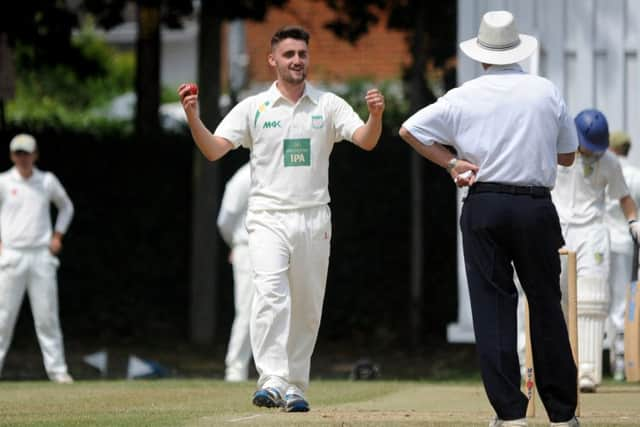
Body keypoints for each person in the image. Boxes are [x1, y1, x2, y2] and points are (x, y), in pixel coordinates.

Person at [178, 26, 384, 412]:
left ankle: (296, 386)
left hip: (313, 219)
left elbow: (367, 140)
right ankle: (271, 378)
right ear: (273, 60)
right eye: (289, 54)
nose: (297, 61)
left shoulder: (328, 105)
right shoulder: (253, 108)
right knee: (270, 296)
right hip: (267, 218)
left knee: (306, 306)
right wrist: (193, 116)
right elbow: (213, 150)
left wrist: (375, 115)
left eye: (302, 54)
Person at [400, 10, 580, 427]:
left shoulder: (464, 95)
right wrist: (530, 151)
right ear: (518, 50)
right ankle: (562, 415)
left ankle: (510, 413)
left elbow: (410, 129)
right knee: (545, 305)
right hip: (535, 205)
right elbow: (568, 155)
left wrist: (451, 163)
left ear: (481, 56)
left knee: (493, 307)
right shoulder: (544, 90)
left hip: (484, 202)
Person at [552, 111, 639, 393]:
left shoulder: (609, 161)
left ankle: (588, 370)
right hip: (558, 229)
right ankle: (559, 368)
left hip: (592, 231)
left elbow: (623, 196)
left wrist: (634, 221)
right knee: (559, 298)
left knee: (592, 298)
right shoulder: (556, 151)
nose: (592, 153)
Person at [0, 133, 74, 383]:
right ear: (12, 155)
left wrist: (58, 236)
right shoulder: (3, 181)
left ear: (35, 155)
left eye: (26, 153)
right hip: (12, 255)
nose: (22, 158)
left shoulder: (46, 181)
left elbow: (66, 207)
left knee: (47, 316)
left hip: (41, 255)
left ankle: (57, 371)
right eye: (18, 153)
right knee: (3, 317)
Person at [605, 131, 640, 381]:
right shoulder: (636, 175)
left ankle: (602, 362)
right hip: (626, 243)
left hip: (602, 242)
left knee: (598, 301)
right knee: (621, 301)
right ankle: (620, 363)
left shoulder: (608, 168)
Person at [217, 161, 253, 382]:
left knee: (280, 308)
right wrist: (237, 245)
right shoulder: (243, 177)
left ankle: (278, 372)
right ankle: (236, 370)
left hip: (278, 246)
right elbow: (225, 221)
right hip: (247, 247)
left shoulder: (279, 171)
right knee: (247, 310)